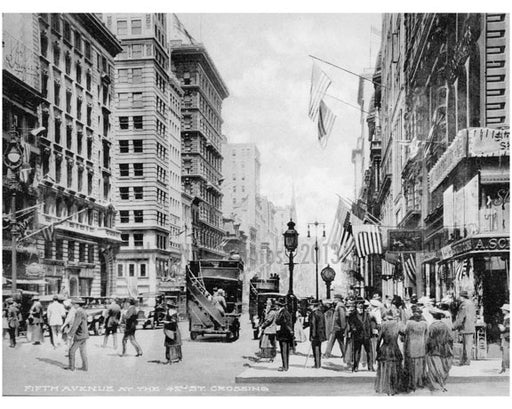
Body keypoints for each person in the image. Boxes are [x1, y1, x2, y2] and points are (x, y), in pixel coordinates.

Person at [375, 310, 404, 396]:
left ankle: (386, 387)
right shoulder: (398, 324)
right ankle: (394, 387)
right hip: (394, 347)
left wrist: (377, 349)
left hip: (385, 348)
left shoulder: (384, 325)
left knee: (385, 368)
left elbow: (379, 338)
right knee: (394, 368)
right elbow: (403, 333)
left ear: (386, 317)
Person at [425, 307, 454, 392]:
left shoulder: (432, 326)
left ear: (433, 317)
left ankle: (437, 385)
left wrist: (426, 348)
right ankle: (441, 384)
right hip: (444, 350)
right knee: (442, 367)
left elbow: (428, 339)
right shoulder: (445, 326)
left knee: (434, 368)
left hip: (434, 350)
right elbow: (450, 338)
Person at [402, 305, 428, 392]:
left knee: (412, 366)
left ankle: (412, 383)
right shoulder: (425, 323)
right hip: (421, 347)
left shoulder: (409, 323)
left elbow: (404, 332)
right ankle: (420, 382)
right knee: (420, 366)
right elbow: (427, 336)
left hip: (411, 347)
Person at [348, 300, 374, 372]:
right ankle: (355, 367)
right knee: (356, 351)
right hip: (357, 335)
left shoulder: (367, 314)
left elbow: (369, 324)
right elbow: (351, 323)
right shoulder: (352, 314)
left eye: (362, 303)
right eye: (359, 303)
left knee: (369, 351)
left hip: (366, 335)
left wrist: (370, 333)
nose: (361, 305)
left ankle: (370, 367)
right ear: (356, 305)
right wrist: (354, 329)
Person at [453, 290, 476, 366]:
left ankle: (466, 360)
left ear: (461, 297)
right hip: (471, 326)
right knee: (468, 344)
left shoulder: (464, 305)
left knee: (465, 345)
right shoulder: (471, 303)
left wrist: (454, 326)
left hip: (465, 327)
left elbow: (461, 317)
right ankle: (467, 360)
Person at [67, 300, 89, 371]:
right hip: (84, 334)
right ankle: (85, 367)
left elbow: (76, 324)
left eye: (74, 304)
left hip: (80, 334)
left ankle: (72, 367)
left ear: (78, 304)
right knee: (83, 351)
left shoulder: (78, 312)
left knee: (71, 351)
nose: (73, 305)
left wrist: (70, 334)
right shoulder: (83, 311)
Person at [324, 294, 346, 359]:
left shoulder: (340, 307)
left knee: (331, 341)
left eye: (335, 299)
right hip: (337, 327)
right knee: (340, 342)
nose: (334, 300)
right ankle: (345, 354)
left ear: (338, 299)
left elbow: (342, 318)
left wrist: (343, 327)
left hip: (337, 327)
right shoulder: (338, 306)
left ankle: (327, 354)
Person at [275, 299, 293, 371]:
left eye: (277, 305)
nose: (276, 306)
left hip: (284, 334)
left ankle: (285, 367)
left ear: (279, 306)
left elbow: (284, 323)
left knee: (284, 351)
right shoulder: (285, 312)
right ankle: (285, 366)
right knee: (284, 351)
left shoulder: (283, 313)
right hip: (285, 334)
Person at [309, 300, 327, 368]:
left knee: (315, 348)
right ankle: (318, 364)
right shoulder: (321, 313)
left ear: (314, 306)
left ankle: (317, 364)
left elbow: (313, 325)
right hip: (320, 333)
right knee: (319, 348)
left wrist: (312, 335)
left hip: (316, 334)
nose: (310, 306)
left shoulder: (314, 313)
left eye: (311, 305)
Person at [498, 303, 510, 374]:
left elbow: (508, 328)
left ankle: (504, 367)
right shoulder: (506, 317)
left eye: (503, 309)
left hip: (506, 336)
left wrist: (503, 328)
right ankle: (504, 367)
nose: (502, 310)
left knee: (505, 351)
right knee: (505, 351)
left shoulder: (508, 318)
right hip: (505, 335)